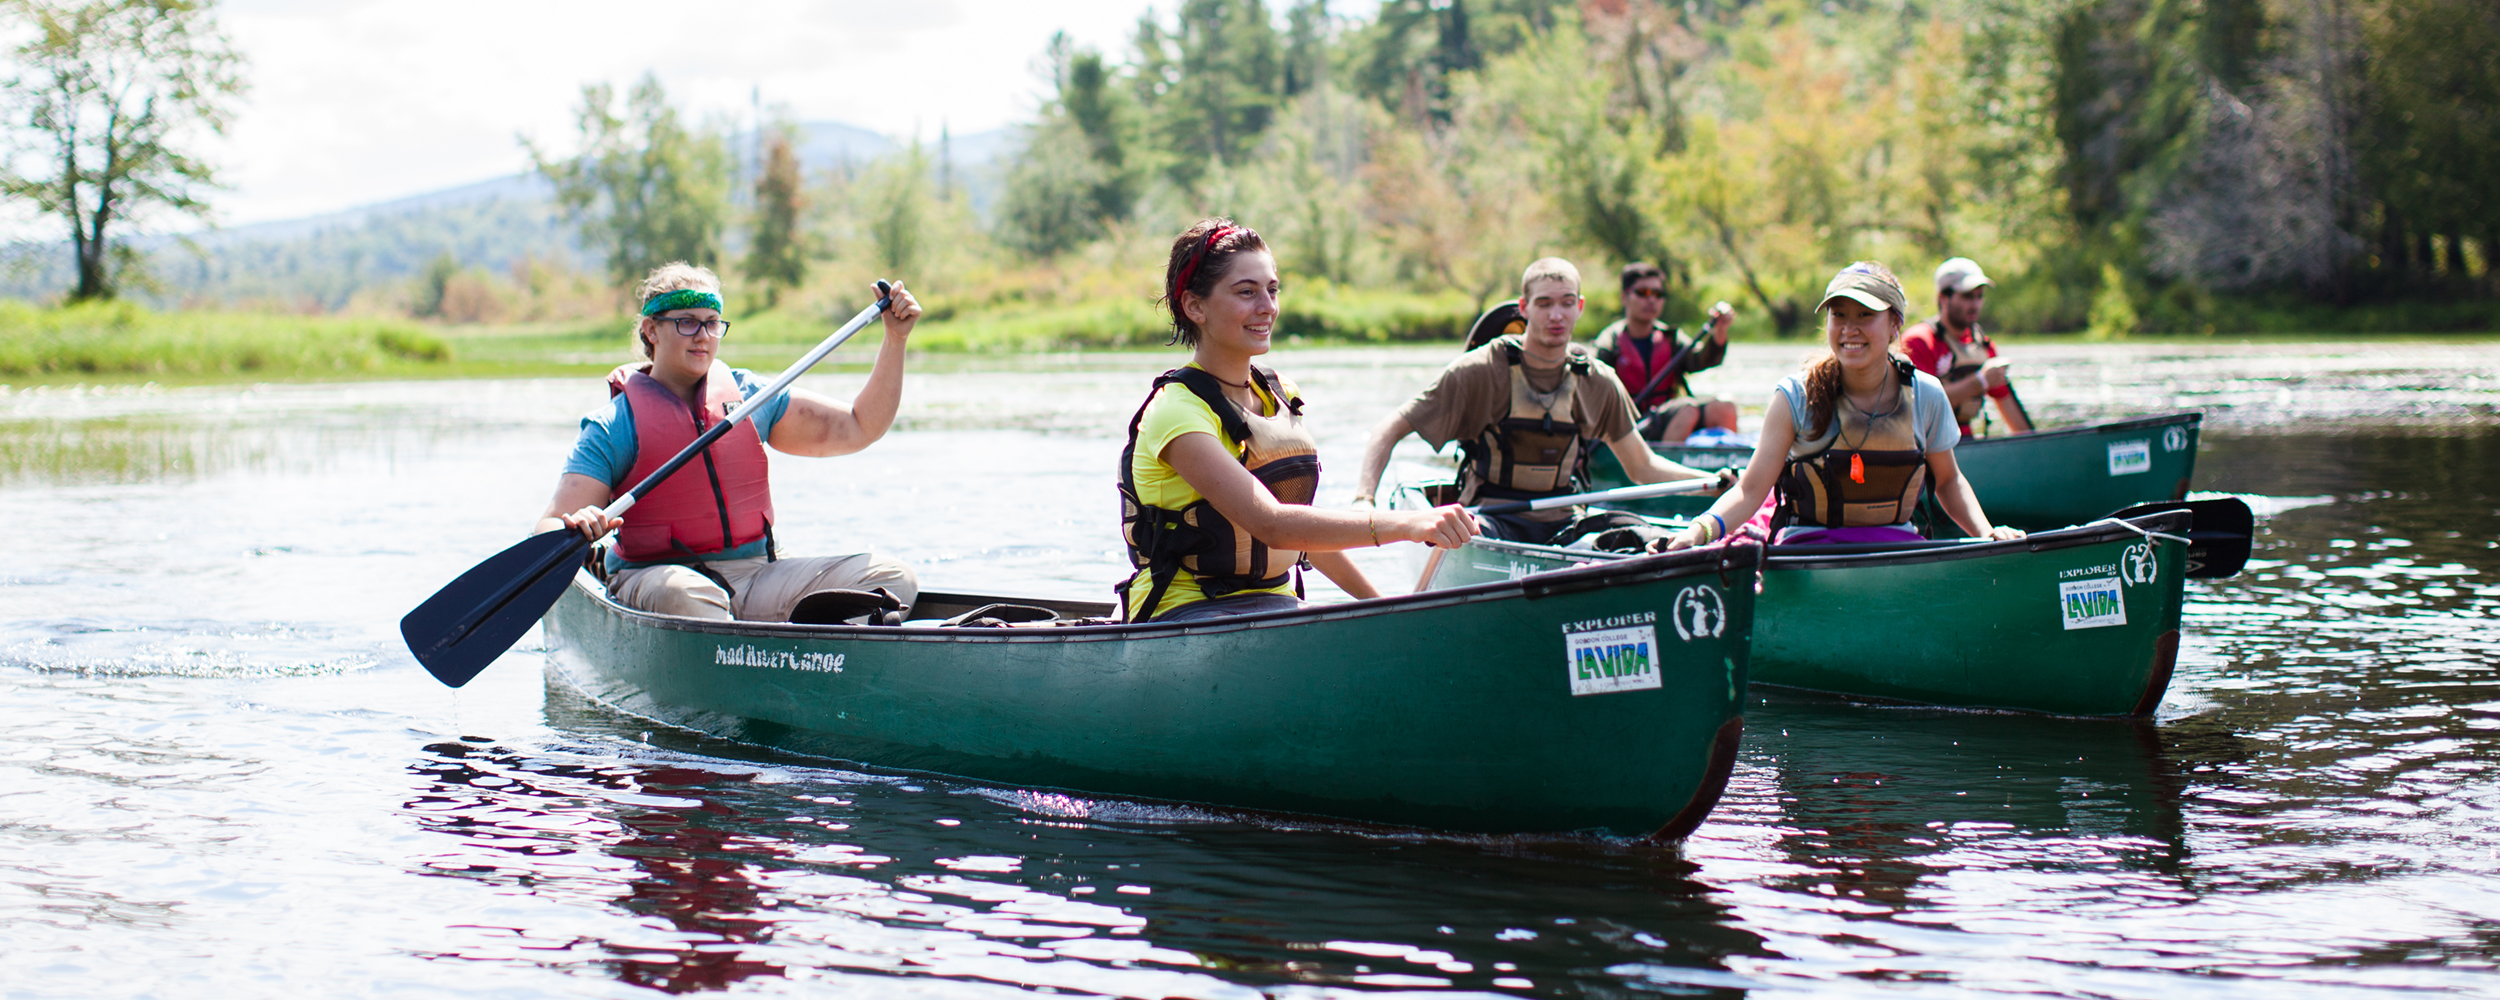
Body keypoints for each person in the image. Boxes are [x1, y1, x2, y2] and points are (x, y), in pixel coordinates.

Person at [1118, 219, 1476, 623]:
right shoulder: (1176, 412)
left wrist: (1387, 610)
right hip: (1184, 615)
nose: (1267, 307)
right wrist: (1410, 523)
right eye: (1246, 292)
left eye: (1272, 290)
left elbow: (1304, 533)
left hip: (1277, 608)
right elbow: (1273, 525)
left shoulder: (1280, 393)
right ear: (1194, 306)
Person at [535, 262, 923, 622]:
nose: (703, 336)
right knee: (686, 594)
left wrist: (895, 338)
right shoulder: (613, 425)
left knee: (893, 580)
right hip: (655, 578)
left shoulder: (748, 397)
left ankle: (807, 659)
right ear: (651, 330)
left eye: (712, 323)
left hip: (757, 575)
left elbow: (859, 426)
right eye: (687, 323)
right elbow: (547, 529)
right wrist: (577, 522)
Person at [1351, 257, 1721, 545]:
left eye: (1566, 303)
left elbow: (1645, 469)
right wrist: (1364, 501)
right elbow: (1391, 428)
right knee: (1474, 534)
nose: (1556, 315)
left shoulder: (1598, 380)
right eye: (1544, 304)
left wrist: (1723, 483)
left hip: (1566, 521)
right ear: (1524, 308)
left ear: (1580, 307)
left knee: (1643, 538)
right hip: (1488, 519)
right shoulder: (1480, 370)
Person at [1664, 262, 2024, 550]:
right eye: (1839, 315)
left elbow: (1948, 481)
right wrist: (1699, 531)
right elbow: (1750, 490)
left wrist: (1986, 532)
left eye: (1865, 315)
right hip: (1807, 552)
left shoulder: (1926, 393)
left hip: (1897, 551)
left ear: (1895, 325)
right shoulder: (1795, 395)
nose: (1849, 329)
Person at [1590, 261, 1739, 442]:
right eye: (1643, 293)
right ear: (1624, 298)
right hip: (1630, 427)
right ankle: (1664, 468)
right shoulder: (1609, 343)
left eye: (1658, 294)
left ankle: (1730, 464)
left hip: (1669, 419)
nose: (1651, 299)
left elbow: (1701, 361)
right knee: (1687, 409)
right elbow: (1592, 396)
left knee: (1725, 406)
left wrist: (1720, 330)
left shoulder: (1670, 337)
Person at [1900, 256, 2031, 437]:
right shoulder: (1918, 341)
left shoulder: (1984, 345)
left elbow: (2016, 420)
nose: (1975, 305)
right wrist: (1980, 382)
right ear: (1943, 298)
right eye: (1967, 297)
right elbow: (1921, 405)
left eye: (1980, 297)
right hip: (1927, 446)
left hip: (1967, 442)